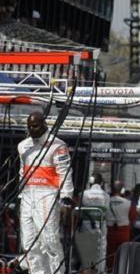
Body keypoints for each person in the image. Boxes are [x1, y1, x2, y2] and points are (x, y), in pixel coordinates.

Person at [17, 111, 74, 274]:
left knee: (49, 240)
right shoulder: (23, 146)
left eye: (34, 126)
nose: (31, 129)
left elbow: (65, 172)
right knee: (29, 243)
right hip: (28, 195)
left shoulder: (57, 145)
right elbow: (22, 172)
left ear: (44, 124)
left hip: (47, 195)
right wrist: (21, 196)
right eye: (29, 126)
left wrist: (66, 199)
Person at [80, 173, 109, 273]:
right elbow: (107, 210)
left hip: (87, 226)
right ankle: (100, 270)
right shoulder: (106, 195)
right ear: (101, 182)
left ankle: (86, 269)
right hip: (100, 225)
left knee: (86, 248)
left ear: (90, 181)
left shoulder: (84, 194)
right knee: (101, 249)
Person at [106, 180, 131, 269]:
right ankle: (122, 269)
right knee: (123, 253)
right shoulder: (128, 202)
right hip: (123, 230)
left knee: (109, 253)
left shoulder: (106, 201)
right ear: (122, 190)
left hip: (110, 230)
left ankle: (110, 270)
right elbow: (132, 216)